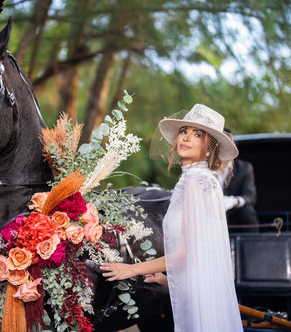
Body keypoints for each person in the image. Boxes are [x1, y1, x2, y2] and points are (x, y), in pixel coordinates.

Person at [100, 104, 243, 332]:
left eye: (197, 134)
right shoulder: (197, 179)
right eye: (184, 130)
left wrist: (131, 269)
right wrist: (167, 280)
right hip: (198, 298)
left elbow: (187, 254)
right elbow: (201, 262)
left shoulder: (196, 182)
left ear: (209, 148)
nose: (186, 137)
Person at [218, 154, 259, 232]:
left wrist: (234, 201)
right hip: (213, 211)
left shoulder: (244, 168)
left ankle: (252, 242)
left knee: (248, 211)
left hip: (234, 213)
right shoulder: (207, 168)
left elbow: (250, 196)